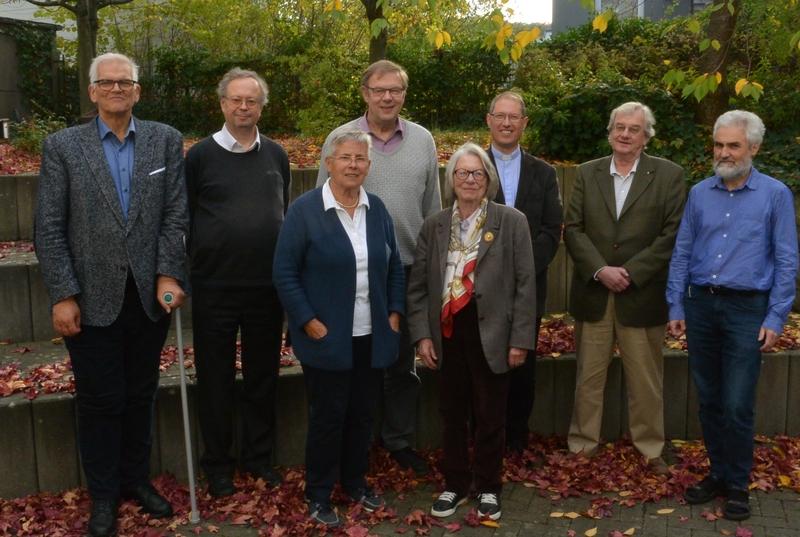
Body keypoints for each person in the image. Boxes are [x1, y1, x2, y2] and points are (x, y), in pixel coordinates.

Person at [34, 53, 188, 537]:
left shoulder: (164, 141)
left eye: (126, 82)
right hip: (91, 296)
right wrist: (63, 293)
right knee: (101, 400)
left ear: (138, 91)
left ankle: (134, 481)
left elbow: (175, 216)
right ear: (93, 91)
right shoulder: (63, 147)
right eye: (108, 82)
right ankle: (103, 495)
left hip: (147, 296)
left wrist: (168, 274)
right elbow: (49, 226)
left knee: (141, 395)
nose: (117, 89)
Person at [667, 110, 798, 521]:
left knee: (738, 402)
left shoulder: (775, 194)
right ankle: (718, 475)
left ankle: (738, 484)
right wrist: (676, 304)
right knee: (709, 401)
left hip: (748, 310)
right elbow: (683, 251)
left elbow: (787, 260)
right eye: (719, 145)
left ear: (754, 148)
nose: (723, 153)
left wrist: (776, 317)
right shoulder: (699, 193)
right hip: (701, 306)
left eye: (733, 145)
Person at [274, 130, 405, 528]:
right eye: (345, 157)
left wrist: (395, 313)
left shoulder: (376, 209)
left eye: (360, 159)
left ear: (369, 165)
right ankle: (318, 493)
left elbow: (395, 266)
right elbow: (284, 272)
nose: (353, 165)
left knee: (362, 415)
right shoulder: (305, 211)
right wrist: (307, 320)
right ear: (328, 163)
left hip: (372, 335)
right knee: (328, 418)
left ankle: (355, 483)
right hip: (327, 338)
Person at [316, 60, 441, 475]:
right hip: (353, 273)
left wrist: (430, 269)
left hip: (406, 269)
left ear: (404, 94)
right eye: (379, 89)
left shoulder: (423, 140)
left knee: (401, 364)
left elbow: (433, 211)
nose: (387, 97)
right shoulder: (342, 139)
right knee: (357, 363)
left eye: (396, 90)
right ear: (365, 93)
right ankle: (358, 444)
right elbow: (322, 206)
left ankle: (399, 441)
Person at [407, 143, 537, 521]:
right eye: (462, 173)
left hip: (493, 331)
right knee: (451, 414)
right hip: (446, 331)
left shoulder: (511, 221)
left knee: (490, 415)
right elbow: (417, 287)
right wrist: (422, 336)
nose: (469, 179)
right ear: (451, 180)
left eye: (477, 173)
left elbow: (526, 286)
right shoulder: (434, 225)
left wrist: (520, 340)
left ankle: (489, 487)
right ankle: (455, 484)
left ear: (488, 180)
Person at [185, 68, 290, 496]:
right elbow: (184, 217)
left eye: (252, 101)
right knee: (216, 380)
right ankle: (218, 464)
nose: (243, 107)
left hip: (267, 289)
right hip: (215, 288)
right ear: (222, 103)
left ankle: (259, 458)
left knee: (263, 376)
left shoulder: (276, 154)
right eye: (236, 100)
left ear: (262, 106)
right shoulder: (200, 156)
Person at [564, 102, 685, 473]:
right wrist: (601, 269)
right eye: (619, 127)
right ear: (610, 131)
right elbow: (573, 228)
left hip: (641, 294)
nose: (625, 134)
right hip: (595, 293)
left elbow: (672, 234)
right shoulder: (587, 173)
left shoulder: (669, 175)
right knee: (588, 376)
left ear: (646, 136)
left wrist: (630, 272)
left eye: (634, 129)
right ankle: (582, 445)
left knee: (646, 378)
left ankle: (650, 448)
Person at [485, 91, 563, 453]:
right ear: (489, 120)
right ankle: (484, 439)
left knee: (523, 367)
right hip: (480, 287)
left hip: (528, 287)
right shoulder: (471, 167)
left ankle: (516, 442)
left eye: (513, 117)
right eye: (499, 116)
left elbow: (551, 228)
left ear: (524, 123)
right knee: (483, 364)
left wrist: (524, 272)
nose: (506, 123)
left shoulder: (544, 173)